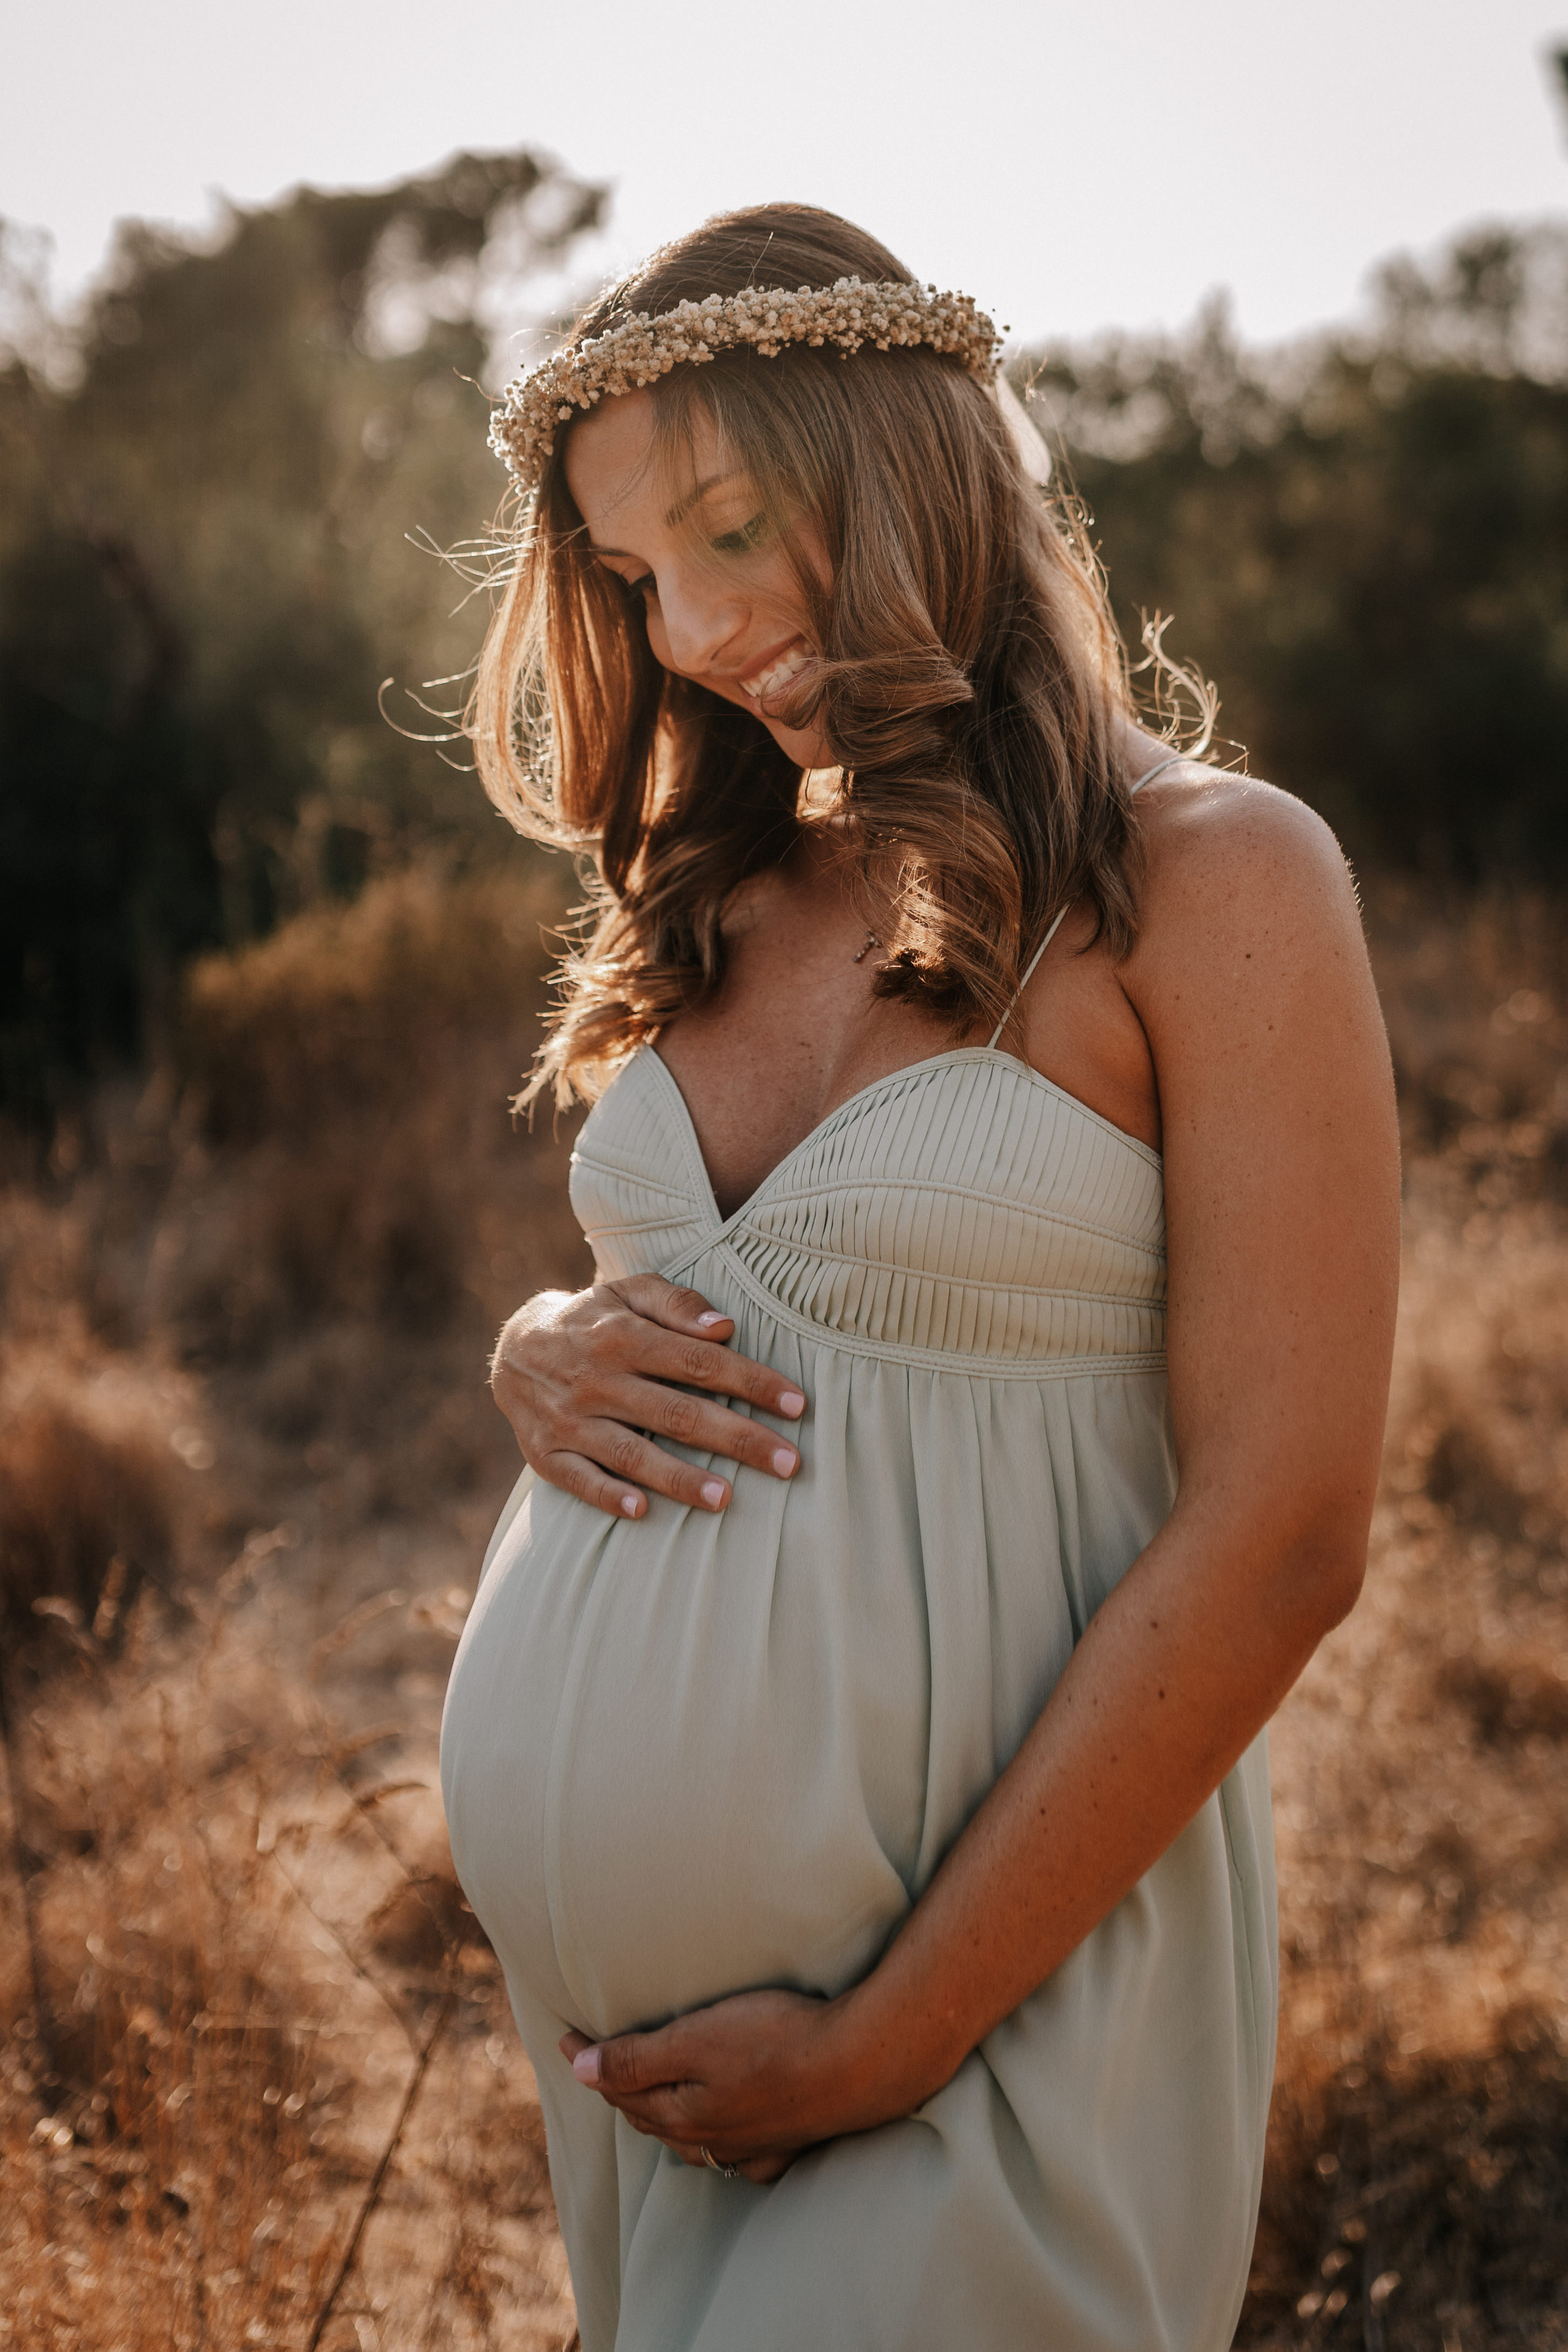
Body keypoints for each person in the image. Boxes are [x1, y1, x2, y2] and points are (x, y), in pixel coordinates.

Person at [439, 202, 1400, 2352]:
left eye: (733, 529)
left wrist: (890, 2033)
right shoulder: (731, 883)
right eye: (627, 575)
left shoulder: (1217, 884)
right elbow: (756, 1294)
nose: (686, 624)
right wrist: (535, 1348)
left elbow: (1285, 1539)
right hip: (637, 2099)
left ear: (907, 460)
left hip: (989, 2032)